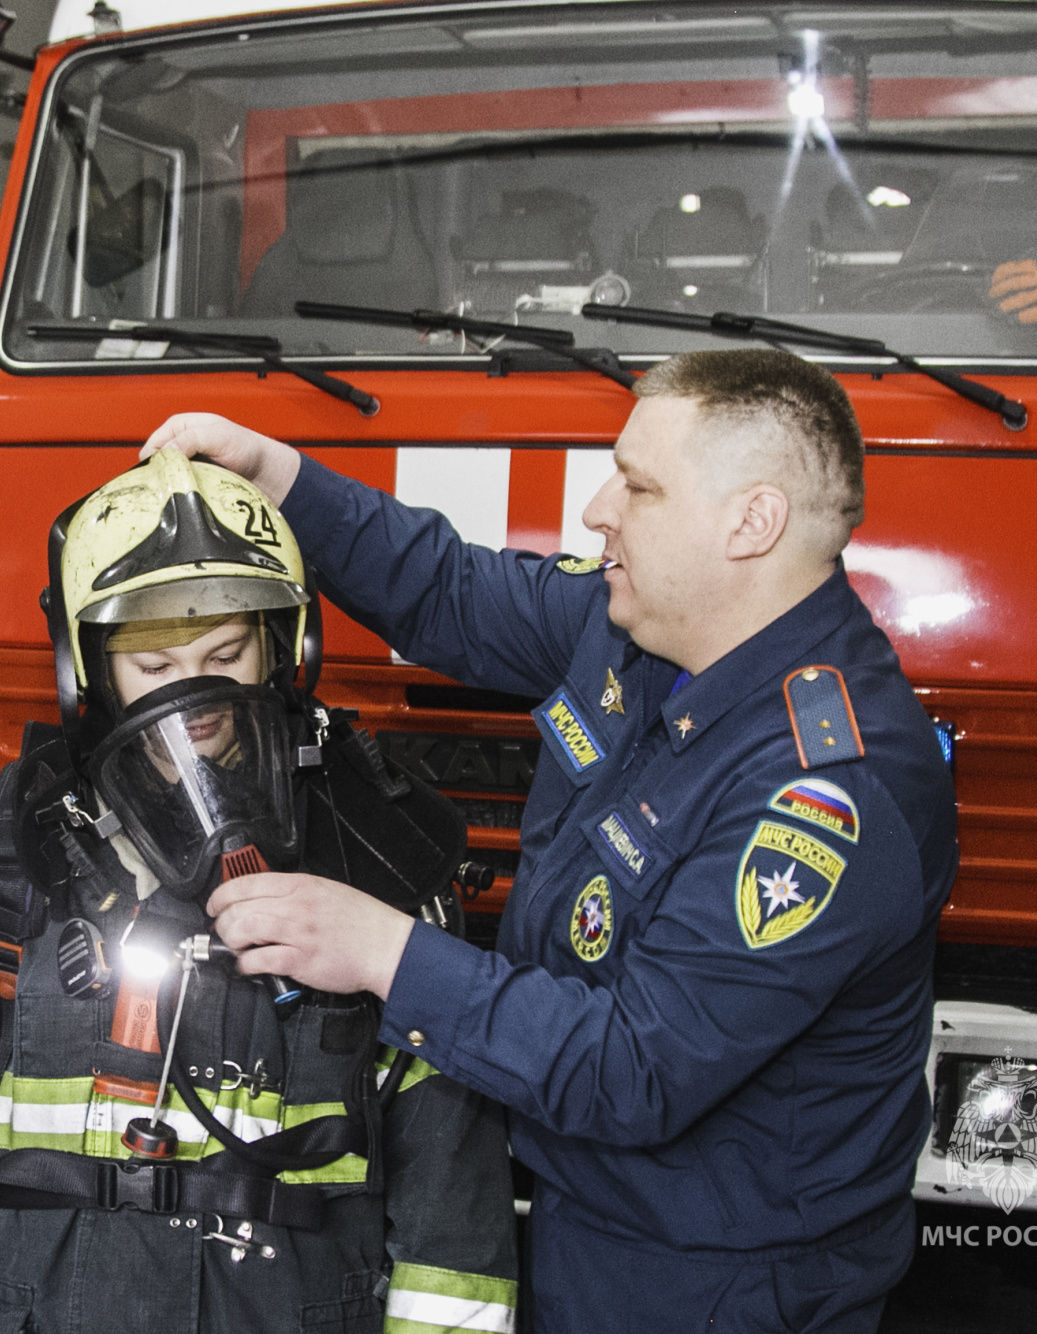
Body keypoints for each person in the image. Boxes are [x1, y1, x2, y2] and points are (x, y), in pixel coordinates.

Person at [150, 350, 958, 1333]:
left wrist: (378, 950)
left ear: (749, 522)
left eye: (639, 485)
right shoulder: (632, 624)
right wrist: (273, 474)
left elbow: (630, 1067)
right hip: (589, 1202)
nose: (596, 509)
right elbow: (444, 588)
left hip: (724, 1280)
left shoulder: (829, 788)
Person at [0, 447, 519, 1333]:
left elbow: (455, 1208)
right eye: (155, 665)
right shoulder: (18, 835)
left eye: (225, 653)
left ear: (283, 647)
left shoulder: (376, 853)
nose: (196, 695)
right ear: (90, 671)